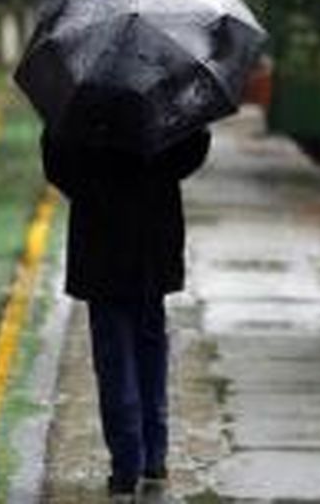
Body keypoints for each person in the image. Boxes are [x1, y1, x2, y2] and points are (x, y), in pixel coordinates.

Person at [41, 127, 211, 502]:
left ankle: (125, 464)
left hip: (100, 240)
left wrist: (91, 191)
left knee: (114, 354)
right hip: (154, 239)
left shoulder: (79, 107)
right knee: (151, 344)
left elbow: (56, 165)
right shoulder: (167, 99)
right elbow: (192, 153)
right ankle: (154, 455)